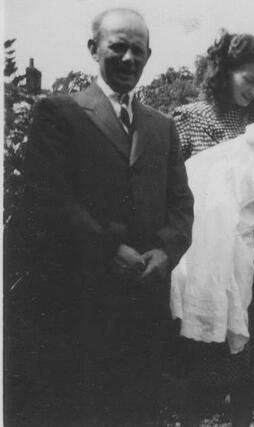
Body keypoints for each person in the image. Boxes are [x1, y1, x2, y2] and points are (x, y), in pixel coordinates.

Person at [22, 8, 194, 425]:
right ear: (93, 49)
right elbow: (49, 198)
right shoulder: (59, 113)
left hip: (144, 301)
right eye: (118, 46)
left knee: (137, 409)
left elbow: (181, 204)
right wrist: (107, 247)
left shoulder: (163, 127)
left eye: (138, 50)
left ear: (148, 56)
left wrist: (164, 252)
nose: (129, 58)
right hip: (81, 297)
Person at [170, 29, 254, 426]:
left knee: (249, 352)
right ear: (224, 71)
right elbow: (178, 184)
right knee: (201, 345)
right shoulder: (188, 118)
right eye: (249, 79)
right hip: (204, 247)